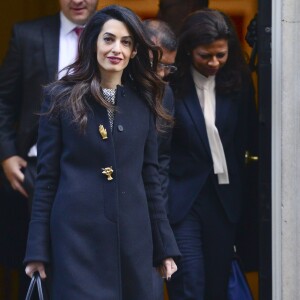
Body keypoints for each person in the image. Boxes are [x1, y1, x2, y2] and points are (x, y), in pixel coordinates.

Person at [24, 5, 180, 299]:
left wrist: (164, 247)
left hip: (134, 240)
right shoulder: (59, 97)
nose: (116, 49)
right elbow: (46, 180)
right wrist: (37, 250)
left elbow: (151, 175)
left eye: (126, 42)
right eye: (108, 39)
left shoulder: (147, 100)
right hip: (75, 240)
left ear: (135, 51)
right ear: (93, 41)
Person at [0, 0, 98, 297]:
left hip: (97, 167)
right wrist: (6, 154)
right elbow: (4, 100)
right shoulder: (28, 34)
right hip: (36, 166)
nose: (78, 0)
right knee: (37, 262)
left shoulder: (112, 33)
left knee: (89, 261)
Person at [165, 8, 258, 300]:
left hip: (223, 197)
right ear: (189, 50)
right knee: (189, 283)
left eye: (221, 54)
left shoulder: (238, 83)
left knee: (218, 286)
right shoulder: (171, 84)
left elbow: (248, 136)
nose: (214, 62)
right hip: (183, 198)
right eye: (206, 55)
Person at [143, 19, 177, 300]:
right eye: (158, 64)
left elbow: (161, 163)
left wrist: (160, 228)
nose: (163, 74)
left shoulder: (166, 94)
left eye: (169, 67)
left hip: (148, 216)